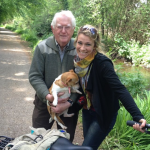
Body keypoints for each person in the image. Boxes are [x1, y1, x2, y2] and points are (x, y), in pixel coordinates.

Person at [73, 24, 147, 150]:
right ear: (75, 42)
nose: (82, 48)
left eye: (88, 44)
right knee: (89, 146)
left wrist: (138, 116)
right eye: (80, 43)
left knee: (86, 148)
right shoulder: (77, 62)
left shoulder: (102, 63)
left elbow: (120, 89)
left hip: (103, 112)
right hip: (88, 110)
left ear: (94, 46)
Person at [28, 10, 80, 142]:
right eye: (59, 27)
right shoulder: (42, 47)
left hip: (69, 106)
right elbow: (34, 76)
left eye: (67, 27)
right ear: (53, 28)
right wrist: (48, 96)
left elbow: (81, 81)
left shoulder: (79, 49)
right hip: (44, 103)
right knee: (37, 139)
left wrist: (69, 102)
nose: (63, 31)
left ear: (73, 29)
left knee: (65, 141)